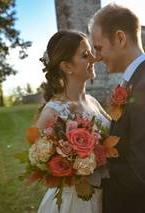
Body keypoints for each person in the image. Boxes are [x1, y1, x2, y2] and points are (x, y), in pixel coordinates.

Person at [89, 3, 145, 213]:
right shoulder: (137, 81)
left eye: (99, 47)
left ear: (120, 38)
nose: (96, 56)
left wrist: (88, 167)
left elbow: (141, 176)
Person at [35, 30, 110, 213]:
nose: (94, 58)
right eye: (85, 55)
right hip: (77, 204)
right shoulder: (52, 112)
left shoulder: (92, 101)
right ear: (67, 66)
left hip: (106, 196)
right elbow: (41, 164)